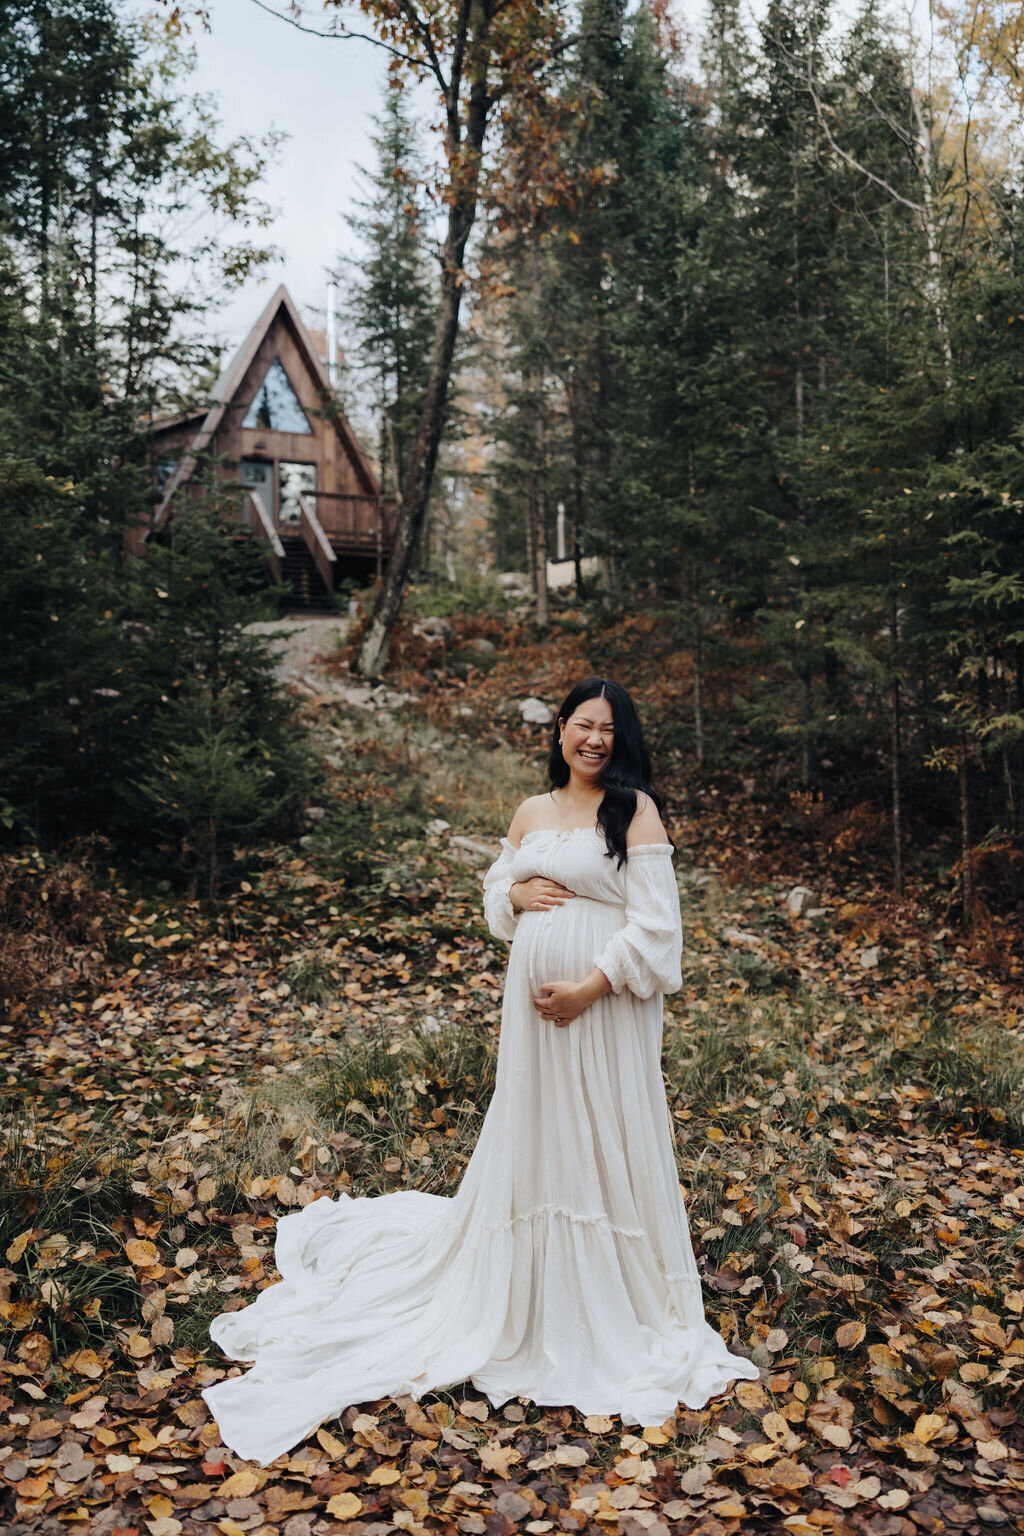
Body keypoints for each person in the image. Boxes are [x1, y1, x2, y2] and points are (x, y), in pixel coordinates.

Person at [201, 676, 757, 1465]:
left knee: (599, 1130)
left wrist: (590, 987)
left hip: (605, 1009)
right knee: (539, 1131)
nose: (594, 740)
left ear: (621, 738)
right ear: (560, 729)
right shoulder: (531, 810)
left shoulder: (632, 812)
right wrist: (517, 892)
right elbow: (497, 897)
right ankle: (527, 1280)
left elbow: (660, 929)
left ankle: (602, 1291)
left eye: (608, 729)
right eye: (582, 725)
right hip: (533, 1018)